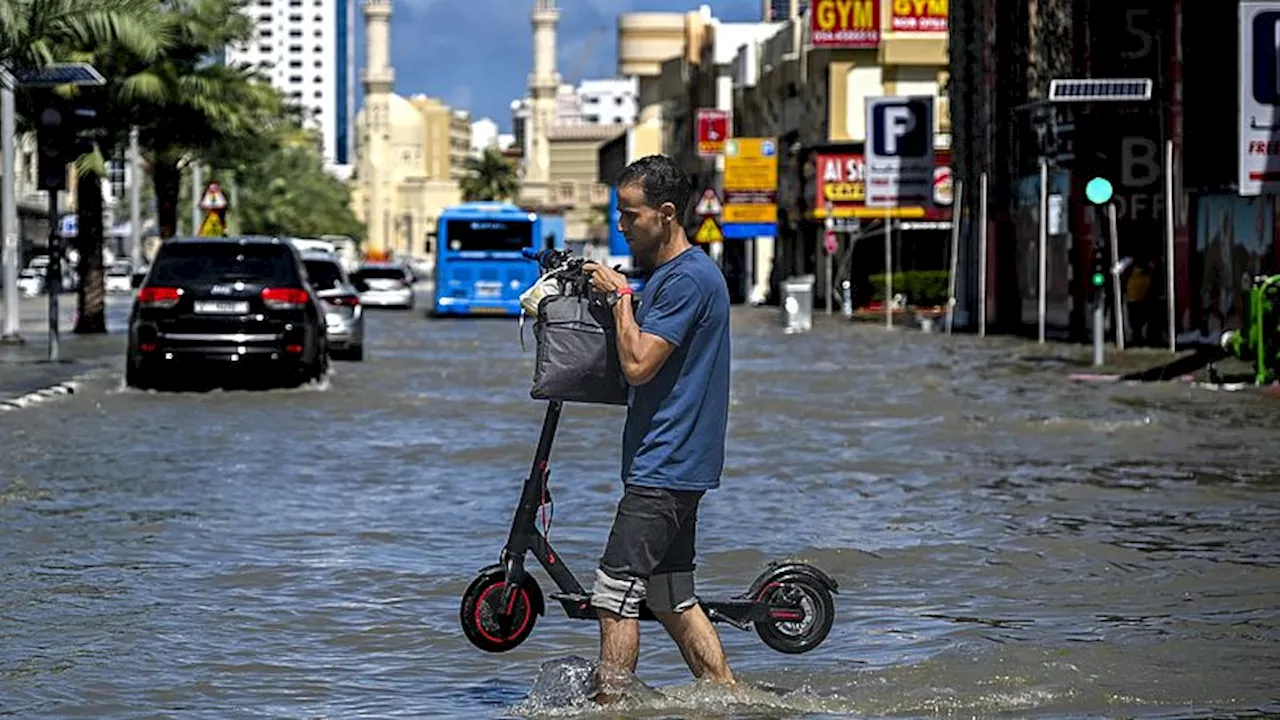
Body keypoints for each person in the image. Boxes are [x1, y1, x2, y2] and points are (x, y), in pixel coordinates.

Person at [581, 154, 736, 701]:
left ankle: (611, 706)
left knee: (614, 592)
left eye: (630, 215)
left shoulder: (686, 280)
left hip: (665, 464)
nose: (621, 226)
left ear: (666, 214)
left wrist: (622, 298)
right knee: (670, 595)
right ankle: (727, 697)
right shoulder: (677, 277)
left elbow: (639, 364)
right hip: (678, 462)